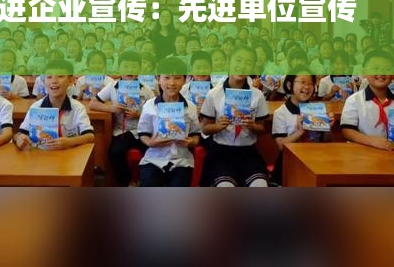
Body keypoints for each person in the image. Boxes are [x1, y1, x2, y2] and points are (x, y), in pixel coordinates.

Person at [200, 46, 269, 187]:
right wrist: (218, 126)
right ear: (228, 63)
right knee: (226, 186)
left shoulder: (257, 95)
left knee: (260, 184)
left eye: (248, 63)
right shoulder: (214, 94)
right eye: (238, 60)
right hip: (221, 152)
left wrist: (252, 125)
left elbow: (263, 129)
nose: (242, 66)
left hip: (248, 151)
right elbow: (205, 128)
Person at [90, 51, 154, 186]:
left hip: (142, 131)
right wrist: (111, 108)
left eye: (134, 66)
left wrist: (139, 114)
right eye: (126, 66)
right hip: (121, 131)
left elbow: (155, 111)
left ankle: (146, 181)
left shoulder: (146, 89)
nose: (130, 70)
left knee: (152, 152)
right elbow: (93, 103)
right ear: (119, 69)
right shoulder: (113, 86)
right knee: (114, 152)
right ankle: (127, 182)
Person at [137, 57, 201, 187]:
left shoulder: (190, 107)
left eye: (177, 78)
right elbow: (143, 133)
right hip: (154, 159)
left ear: (185, 80)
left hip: (182, 161)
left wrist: (191, 142)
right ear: (158, 78)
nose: (172, 83)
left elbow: (196, 134)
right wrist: (150, 143)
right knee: (149, 185)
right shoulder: (149, 105)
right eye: (166, 77)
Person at [271, 67, 335, 184]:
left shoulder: (317, 110)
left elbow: (327, 141)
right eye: (302, 82)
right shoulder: (281, 112)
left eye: (311, 84)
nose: (307, 87)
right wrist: (300, 131)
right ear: (290, 85)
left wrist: (328, 128)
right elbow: (281, 146)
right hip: (291, 163)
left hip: (316, 161)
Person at [14, 60, 94, 151]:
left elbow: (90, 136)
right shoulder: (36, 107)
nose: (54, 81)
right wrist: (19, 138)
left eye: (60, 76)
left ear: (71, 80)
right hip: (40, 154)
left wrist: (69, 142)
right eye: (49, 77)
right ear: (43, 81)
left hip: (69, 154)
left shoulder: (77, 108)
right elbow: (20, 133)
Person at [341, 49, 394, 151]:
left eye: (387, 69)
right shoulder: (354, 100)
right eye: (375, 68)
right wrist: (372, 141)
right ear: (364, 73)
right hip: (365, 154)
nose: (381, 72)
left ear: (393, 75)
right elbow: (347, 130)